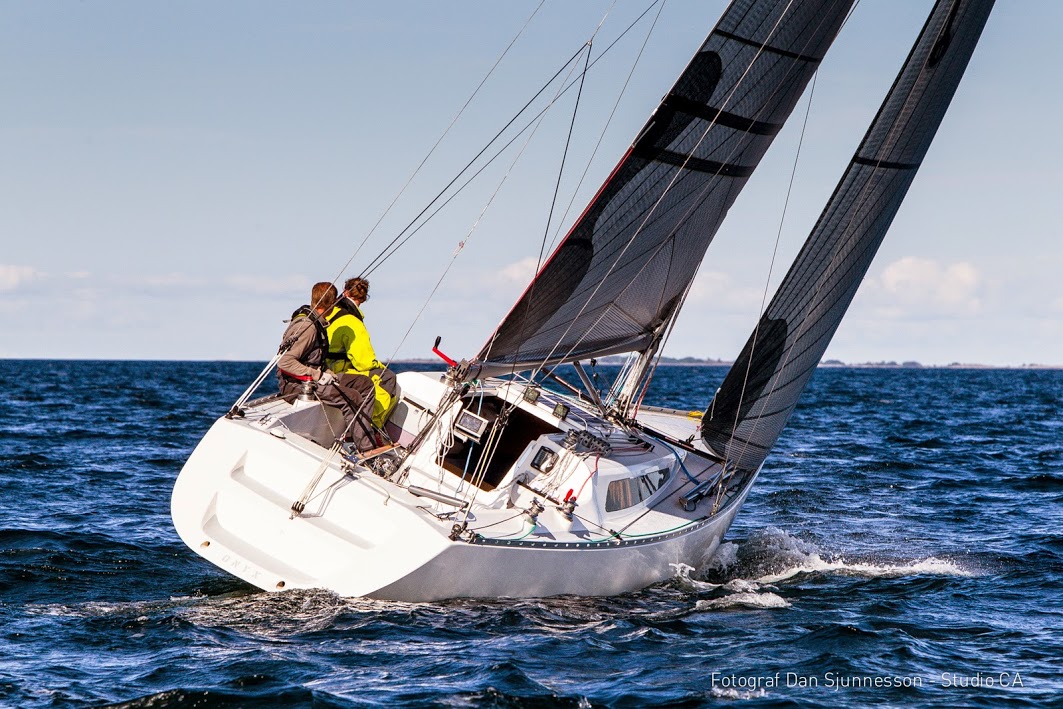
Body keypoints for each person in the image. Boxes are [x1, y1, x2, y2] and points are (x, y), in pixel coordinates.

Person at [277, 282, 377, 451]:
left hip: (315, 379)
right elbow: (285, 362)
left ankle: (357, 436)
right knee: (352, 397)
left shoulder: (317, 322)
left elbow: (313, 359)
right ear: (332, 303)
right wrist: (318, 375)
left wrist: (329, 374)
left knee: (365, 384)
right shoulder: (308, 328)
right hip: (296, 386)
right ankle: (366, 449)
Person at [324, 276, 398, 429]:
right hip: (338, 371)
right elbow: (364, 362)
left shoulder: (330, 312)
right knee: (387, 378)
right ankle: (371, 426)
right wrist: (378, 365)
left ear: (345, 292)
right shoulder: (353, 321)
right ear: (364, 299)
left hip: (321, 367)